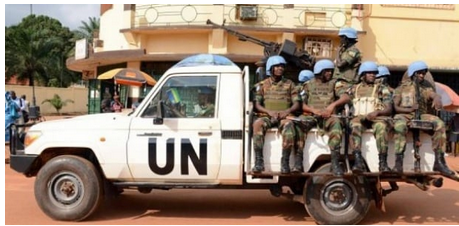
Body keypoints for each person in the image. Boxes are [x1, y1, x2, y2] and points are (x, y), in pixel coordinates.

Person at [392, 60, 455, 176]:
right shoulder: (401, 88)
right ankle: (398, 162)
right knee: (399, 125)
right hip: (405, 114)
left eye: (423, 73)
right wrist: (408, 110)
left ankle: (439, 161)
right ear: (413, 73)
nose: (422, 75)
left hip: (422, 114)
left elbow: (432, 94)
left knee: (439, 124)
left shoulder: (425, 87)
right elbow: (395, 107)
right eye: (419, 73)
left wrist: (437, 98)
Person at [299, 59, 350, 176]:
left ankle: (335, 162)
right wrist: (313, 110)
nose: (330, 73)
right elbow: (299, 103)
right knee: (298, 125)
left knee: (337, 124)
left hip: (329, 116)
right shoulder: (308, 85)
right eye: (327, 71)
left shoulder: (335, 83)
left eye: (331, 71)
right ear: (319, 71)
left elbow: (346, 97)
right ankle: (298, 160)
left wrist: (332, 106)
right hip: (312, 115)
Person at [252, 55, 301, 174]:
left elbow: (297, 103)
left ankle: (285, 163)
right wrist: (268, 112)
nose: (280, 68)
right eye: (277, 66)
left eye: (282, 66)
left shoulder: (289, 84)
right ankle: (259, 162)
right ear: (271, 68)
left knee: (289, 127)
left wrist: (286, 112)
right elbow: (257, 104)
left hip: (285, 117)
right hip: (267, 116)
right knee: (257, 125)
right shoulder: (262, 85)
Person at [344, 61, 393, 173]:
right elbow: (344, 102)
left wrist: (377, 113)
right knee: (354, 126)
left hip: (376, 118)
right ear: (363, 74)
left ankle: (383, 163)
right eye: (369, 73)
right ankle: (358, 161)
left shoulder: (381, 88)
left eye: (374, 73)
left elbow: (389, 108)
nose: (372, 75)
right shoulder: (354, 89)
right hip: (359, 118)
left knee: (381, 127)